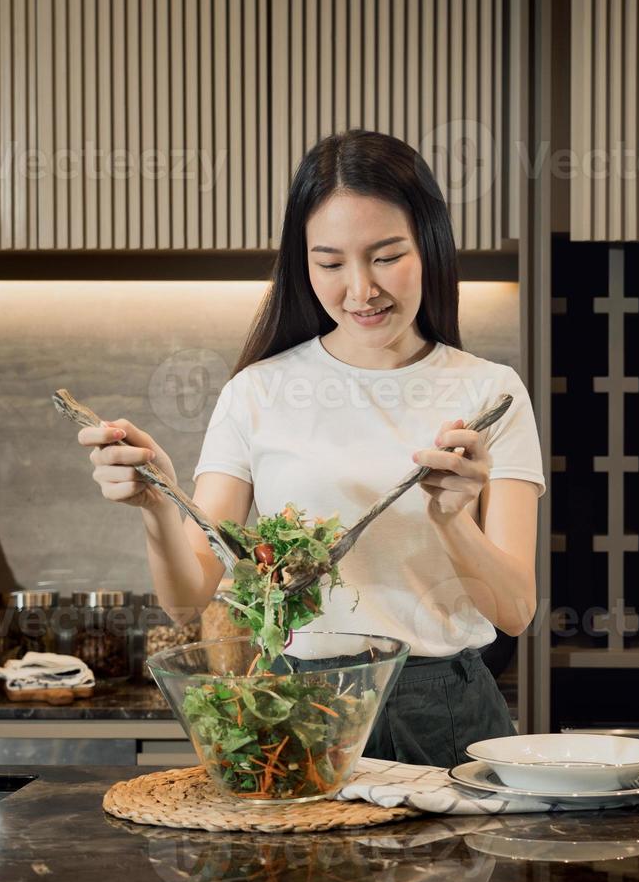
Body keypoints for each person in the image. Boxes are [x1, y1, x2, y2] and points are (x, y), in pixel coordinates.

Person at [76, 129, 545, 767]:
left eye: (386, 256)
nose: (361, 289)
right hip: (301, 705)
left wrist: (451, 520)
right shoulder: (256, 393)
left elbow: (515, 611)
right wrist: (159, 503)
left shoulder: (490, 392)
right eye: (330, 263)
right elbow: (191, 598)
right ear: (304, 263)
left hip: (444, 712)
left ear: (429, 245)